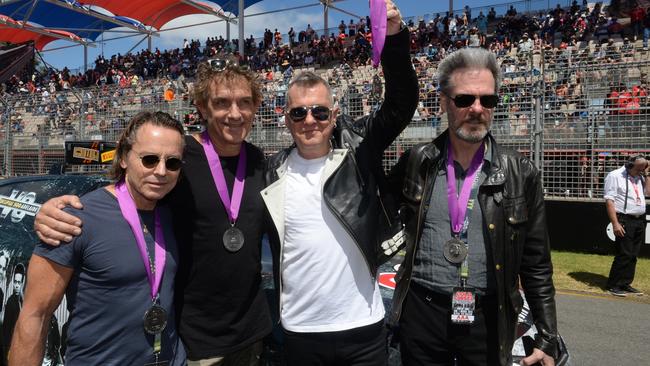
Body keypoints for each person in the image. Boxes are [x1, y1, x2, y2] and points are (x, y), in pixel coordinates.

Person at [35, 59, 272, 364]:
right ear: (202, 107)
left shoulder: (261, 163)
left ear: (256, 107)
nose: (235, 113)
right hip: (193, 340)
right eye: (222, 102)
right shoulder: (176, 157)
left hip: (252, 332)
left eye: (245, 102)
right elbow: (126, 193)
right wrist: (51, 208)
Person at [260, 1, 417, 364]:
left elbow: (401, 103)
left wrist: (393, 37)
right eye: (299, 112)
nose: (309, 120)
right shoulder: (271, 174)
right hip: (300, 332)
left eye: (319, 111)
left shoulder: (361, 146)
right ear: (286, 120)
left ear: (335, 115)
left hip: (363, 328)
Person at [388, 48, 559, 366]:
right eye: (464, 99)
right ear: (443, 102)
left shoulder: (522, 173)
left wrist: (548, 336)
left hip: (488, 315)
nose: (477, 109)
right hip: (422, 311)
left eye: (487, 100)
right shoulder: (417, 161)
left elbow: (536, 265)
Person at [9, 111, 187, 366]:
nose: (161, 171)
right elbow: (35, 316)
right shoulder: (73, 218)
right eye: (149, 159)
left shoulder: (172, 215)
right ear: (124, 157)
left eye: (172, 163)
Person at [603, 155, 650, 297]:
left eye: (643, 170)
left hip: (639, 220)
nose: (640, 172)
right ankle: (613, 285)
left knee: (633, 255)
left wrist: (647, 176)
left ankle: (625, 283)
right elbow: (609, 201)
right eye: (639, 170)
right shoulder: (615, 176)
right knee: (624, 253)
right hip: (624, 219)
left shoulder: (640, 176)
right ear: (631, 166)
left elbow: (648, 193)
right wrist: (615, 223)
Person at [2, 263, 24, 363]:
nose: (16, 285)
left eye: (19, 283)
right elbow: (6, 330)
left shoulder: (23, 302)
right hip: (11, 347)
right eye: (15, 282)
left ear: (23, 283)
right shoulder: (11, 302)